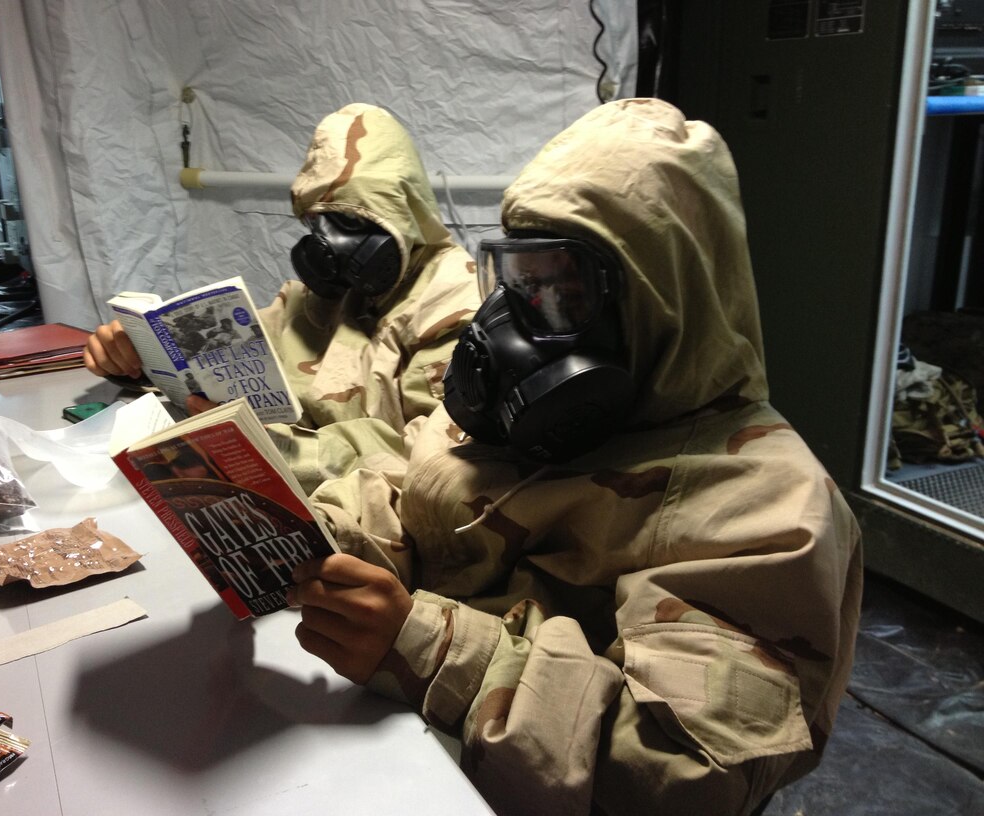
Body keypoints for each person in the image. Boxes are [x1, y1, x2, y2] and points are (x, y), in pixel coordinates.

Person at [287, 98, 863, 816]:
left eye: (567, 291)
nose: (512, 324)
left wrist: (430, 651)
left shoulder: (766, 510)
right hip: (404, 755)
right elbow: (412, 491)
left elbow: (686, 776)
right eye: (521, 282)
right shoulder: (513, 421)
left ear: (660, 301)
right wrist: (309, 539)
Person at [84, 103, 479, 491]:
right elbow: (226, 373)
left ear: (404, 212)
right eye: (315, 220)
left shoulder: (457, 313)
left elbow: (431, 464)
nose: (328, 245)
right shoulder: (322, 294)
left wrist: (271, 449)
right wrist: (136, 360)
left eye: (350, 221)